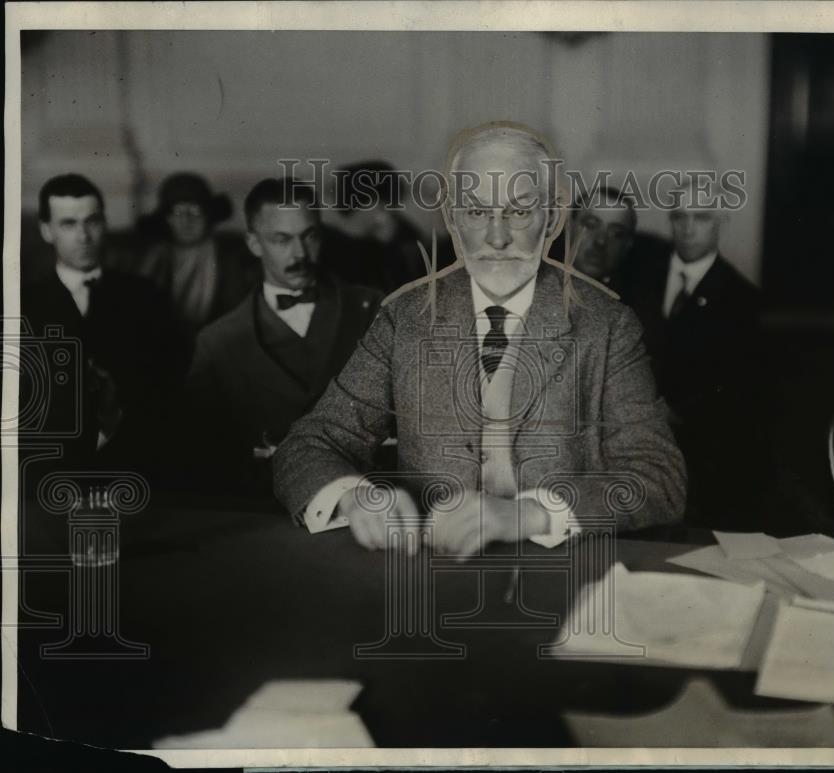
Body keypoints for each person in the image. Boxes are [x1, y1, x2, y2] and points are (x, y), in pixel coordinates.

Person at [274, 122, 686, 554]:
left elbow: (660, 477)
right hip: (429, 576)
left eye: (519, 211)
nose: (496, 237)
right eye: (476, 212)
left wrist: (531, 514)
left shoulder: (607, 325)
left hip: (561, 578)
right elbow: (309, 443)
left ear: (551, 221)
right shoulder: (405, 318)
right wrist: (355, 496)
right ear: (452, 220)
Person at [179, 178, 383, 499]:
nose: (300, 253)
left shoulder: (374, 311)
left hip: (369, 501)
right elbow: (200, 457)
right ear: (254, 244)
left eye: (310, 236)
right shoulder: (217, 343)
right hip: (264, 514)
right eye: (281, 240)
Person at [617, 176, 767, 530]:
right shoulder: (641, 275)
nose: (687, 228)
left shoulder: (740, 300)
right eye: (679, 217)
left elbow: (731, 388)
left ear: (722, 223)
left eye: (700, 218)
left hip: (697, 449)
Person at [20, 174, 186, 484]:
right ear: (46, 230)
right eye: (69, 224)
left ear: (104, 223)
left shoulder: (145, 296)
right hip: (50, 474)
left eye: (92, 221)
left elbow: (167, 391)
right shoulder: (22, 305)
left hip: (135, 468)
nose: (84, 236)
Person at [133, 173, 259, 333]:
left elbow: (237, 314)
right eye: (178, 212)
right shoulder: (156, 255)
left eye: (195, 211)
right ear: (167, 219)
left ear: (208, 217)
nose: (186, 220)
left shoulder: (229, 257)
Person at [320, 160, 437, 293]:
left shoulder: (324, 240)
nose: (391, 212)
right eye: (388, 203)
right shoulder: (377, 250)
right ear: (374, 203)